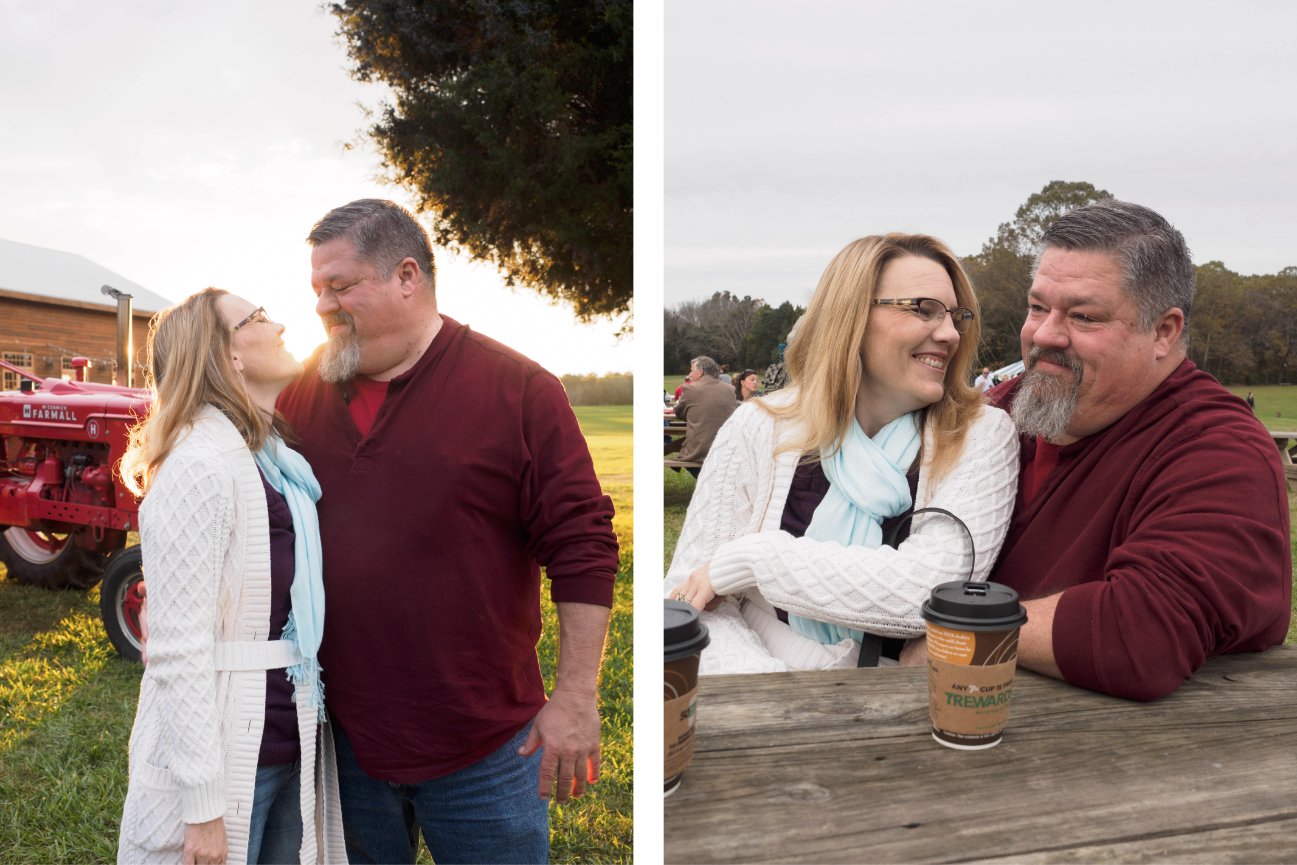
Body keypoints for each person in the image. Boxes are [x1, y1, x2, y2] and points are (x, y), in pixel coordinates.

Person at [276, 199, 619, 865]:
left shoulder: (518, 389)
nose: (322, 305)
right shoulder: (301, 397)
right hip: (342, 740)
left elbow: (583, 545)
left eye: (341, 286)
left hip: (484, 746)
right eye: (316, 289)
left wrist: (576, 697)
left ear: (408, 275)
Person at [976, 199, 1291, 701]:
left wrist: (956, 632)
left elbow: (1141, 634)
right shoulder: (991, 416)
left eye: (1084, 316)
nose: (1044, 335)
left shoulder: (1219, 452)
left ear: (1164, 332)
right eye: (1037, 307)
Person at [664, 234, 1020, 673]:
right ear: (851, 316)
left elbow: (931, 593)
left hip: (899, 716)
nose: (949, 333)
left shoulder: (981, 436)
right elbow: (689, 601)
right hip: (759, 706)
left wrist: (753, 560)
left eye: (956, 316)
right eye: (924, 308)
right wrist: (779, 695)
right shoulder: (758, 426)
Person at [116, 289, 344, 865]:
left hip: (288, 732)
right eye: (258, 318)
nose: (281, 324)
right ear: (228, 356)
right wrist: (202, 808)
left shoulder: (272, 458)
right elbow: (175, 648)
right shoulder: (198, 465)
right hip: (227, 750)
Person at [673, 355, 739, 468]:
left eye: (692, 371)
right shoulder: (730, 389)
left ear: (700, 372)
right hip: (726, 450)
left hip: (698, 452)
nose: (689, 375)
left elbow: (679, 413)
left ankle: (705, 480)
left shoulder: (690, 389)